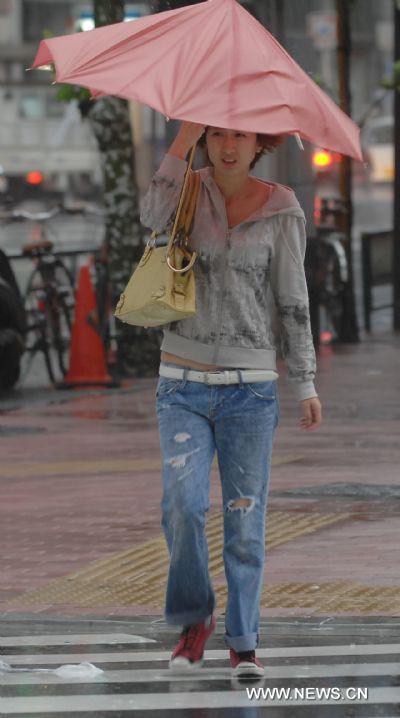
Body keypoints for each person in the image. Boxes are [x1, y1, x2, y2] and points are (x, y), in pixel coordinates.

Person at [140, 121, 322, 678]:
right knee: (182, 506)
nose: (227, 145)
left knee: (245, 520)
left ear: (260, 144)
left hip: (250, 390)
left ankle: (244, 640)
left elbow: (292, 298)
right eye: (216, 133)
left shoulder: (282, 207)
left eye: (241, 135)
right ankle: (195, 619)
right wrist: (180, 139)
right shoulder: (187, 190)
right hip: (182, 384)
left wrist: (306, 380)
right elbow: (149, 216)